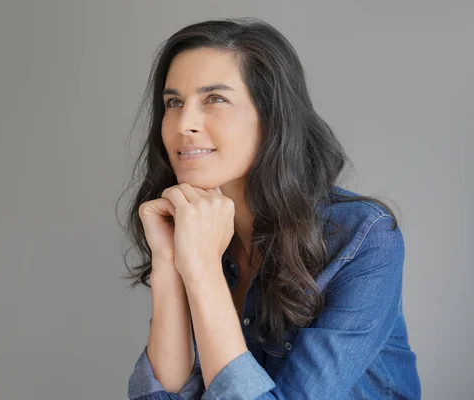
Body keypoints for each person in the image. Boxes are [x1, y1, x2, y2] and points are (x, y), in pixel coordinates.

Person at [119, 17, 421, 399]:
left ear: (272, 118)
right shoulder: (199, 228)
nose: (184, 123)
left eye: (215, 99)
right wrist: (167, 261)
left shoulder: (364, 237)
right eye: (173, 102)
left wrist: (202, 269)